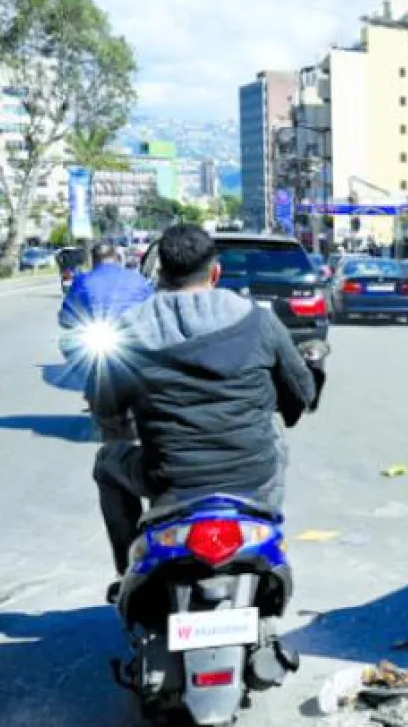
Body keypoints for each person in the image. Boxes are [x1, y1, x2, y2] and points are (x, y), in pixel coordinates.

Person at [87, 225, 318, 598]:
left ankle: (128, 565)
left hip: (167, 481)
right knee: (276, 440)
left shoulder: (128, 330)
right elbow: (303, 391)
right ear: (215, 272)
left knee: (107, 462)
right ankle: (266, 540)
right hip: (252, 476)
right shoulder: (258, 320)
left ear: (160, 274)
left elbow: (105, 409)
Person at [57, 241, 153, 330]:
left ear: (92, 261)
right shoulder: (138, 280)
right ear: (118, 259)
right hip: (134, 337)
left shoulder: (83, 281)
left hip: (97, 337)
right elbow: (152, 311)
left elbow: (65, 317)